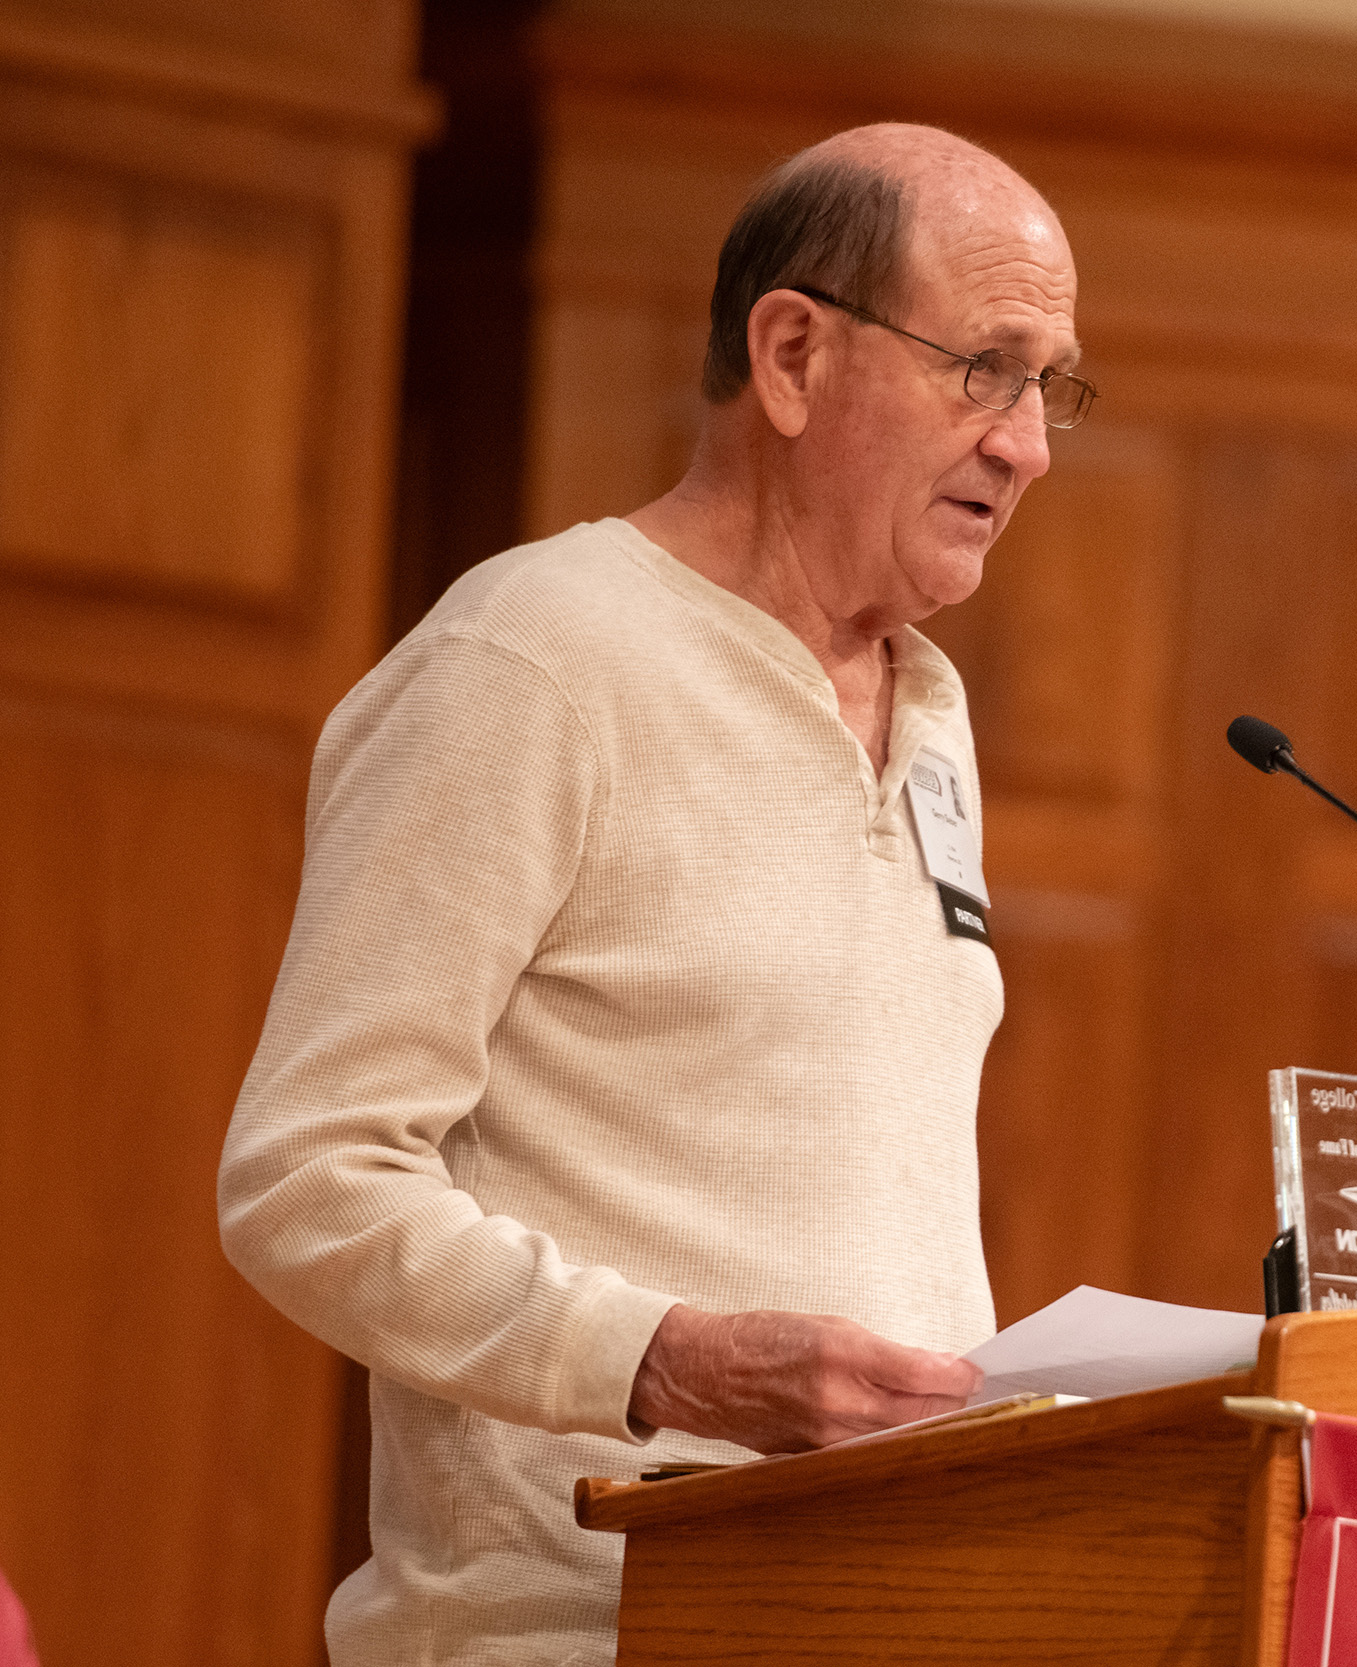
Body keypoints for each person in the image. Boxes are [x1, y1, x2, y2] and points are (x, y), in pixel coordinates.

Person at [218, 122, 1093, 1665]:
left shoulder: (932, 714)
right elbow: (307, 1181)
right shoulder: (531, 664)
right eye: (986, 368)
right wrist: (670, 1363)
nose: (1028, 441)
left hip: (889, 1625)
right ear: (793, 354)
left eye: (1053, 388)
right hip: (576, 1636)